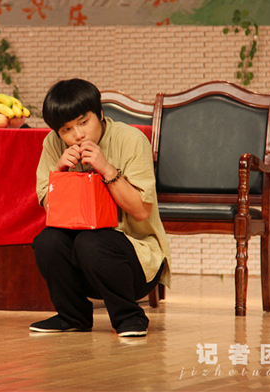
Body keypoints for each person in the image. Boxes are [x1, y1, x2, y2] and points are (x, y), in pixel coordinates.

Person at [29, 79, 171, 337]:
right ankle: (73, 316)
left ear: (101, 114)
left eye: (84, 122)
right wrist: (60, 173)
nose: (77, 135)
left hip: (136, 262)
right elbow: (52, 210)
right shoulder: (52, 144)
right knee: (48, 241)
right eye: (66, 129)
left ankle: (129, 316)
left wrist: (106, 169)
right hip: (84, 264)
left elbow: (141, 212)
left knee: (90, 242)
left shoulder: (131, 139)